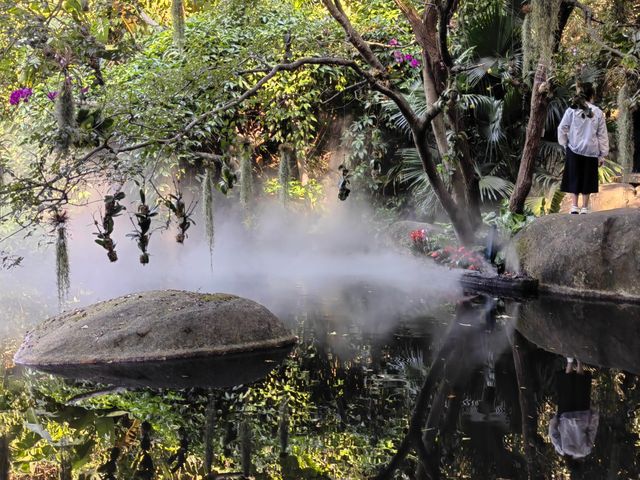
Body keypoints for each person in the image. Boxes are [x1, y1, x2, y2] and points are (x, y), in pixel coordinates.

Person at [558, 83, 609, 214]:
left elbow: (562, 128)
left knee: (574, 175)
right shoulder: (597, 112)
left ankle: (574, 206)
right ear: (591, 95)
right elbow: (602, 134)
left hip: (574, 149)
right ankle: (585, 208)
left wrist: (565, 143)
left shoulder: (572, 110)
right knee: (588, 177)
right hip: (591, 150)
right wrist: (602, 153)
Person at [549, 357, 599, 459]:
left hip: (582, 416)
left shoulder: (586, 451)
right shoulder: (562, 451)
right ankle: (570, 361)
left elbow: (592, 430)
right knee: (566, 387)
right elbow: (553, 433)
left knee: (581, 387)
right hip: (565, 417)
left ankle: (579, 361)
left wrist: (594, 414)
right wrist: (555, 419)